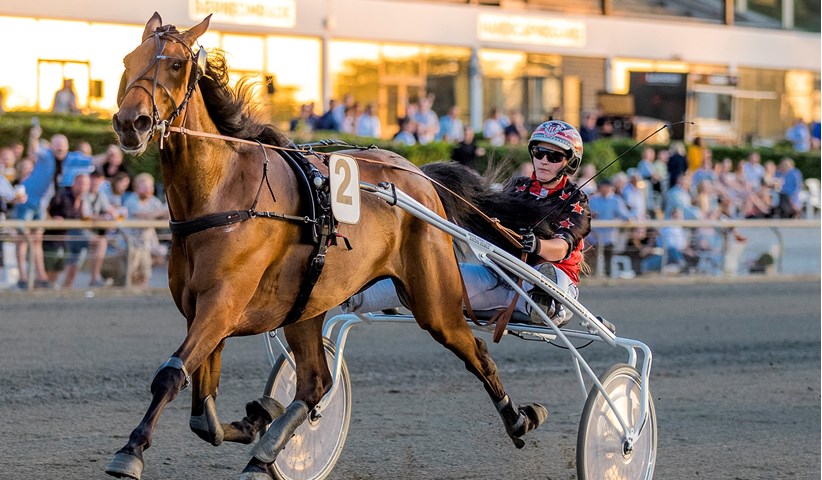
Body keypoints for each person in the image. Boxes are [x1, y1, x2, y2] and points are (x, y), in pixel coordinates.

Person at [343, 120, 595, 330]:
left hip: (554, 282)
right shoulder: (518, 187)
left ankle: (544, 303)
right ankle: (352, 294)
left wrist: (538, 245)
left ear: (569, 162)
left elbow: (561, 247)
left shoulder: (576, 200)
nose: (544, 160)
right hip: (501, 276)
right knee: (435, 278)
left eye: (554, 156)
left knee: (546, 277)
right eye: (539, 153)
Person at [123, 173, 169, 287]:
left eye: (150, 187)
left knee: (145, 272)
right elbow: (144, 215)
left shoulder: (153, 201)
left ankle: (141, 291)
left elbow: (165, 215)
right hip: (131, 241)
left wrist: (162, 211)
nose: (148, 190)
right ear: (137, 188)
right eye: (144, 187)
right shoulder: (131, 200)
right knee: (132, 272)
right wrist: (163, 210)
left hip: (147, 242)